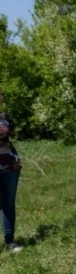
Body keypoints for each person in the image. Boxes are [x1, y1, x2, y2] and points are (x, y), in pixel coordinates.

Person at [0, 91, 23, 252]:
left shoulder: (5, 117)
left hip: (9, 163)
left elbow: (7, 137)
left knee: (8, 203)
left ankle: (10, 241)